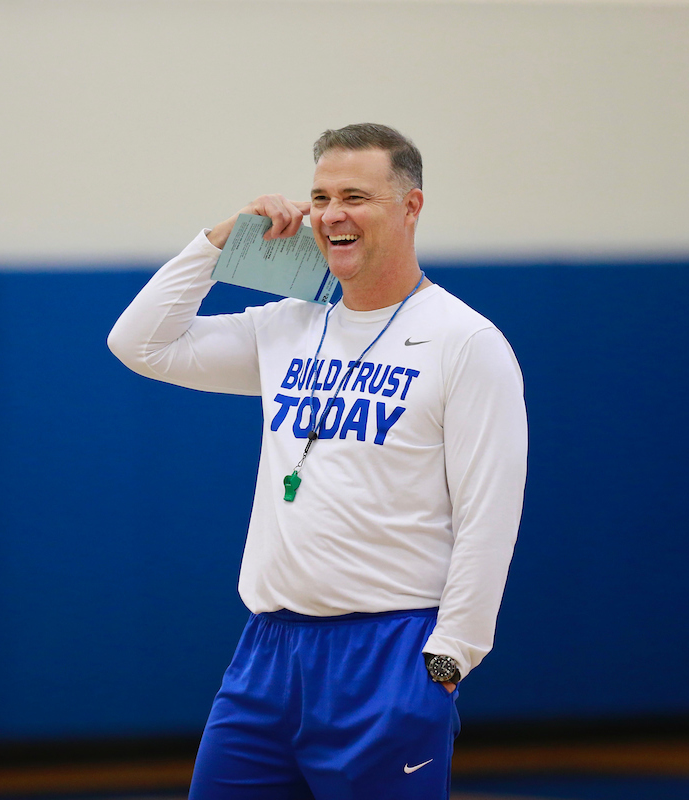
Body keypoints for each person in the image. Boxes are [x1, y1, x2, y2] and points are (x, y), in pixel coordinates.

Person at [108, 123, 527, 800]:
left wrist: (450, 659)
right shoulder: (289, 326)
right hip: (267, 654)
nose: (333, 214)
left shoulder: (465, 342)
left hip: (389, 653)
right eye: (321, 196)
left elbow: (489, 514)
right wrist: (221, 241)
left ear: (410, 206)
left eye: (355, 195)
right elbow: (140, 344)